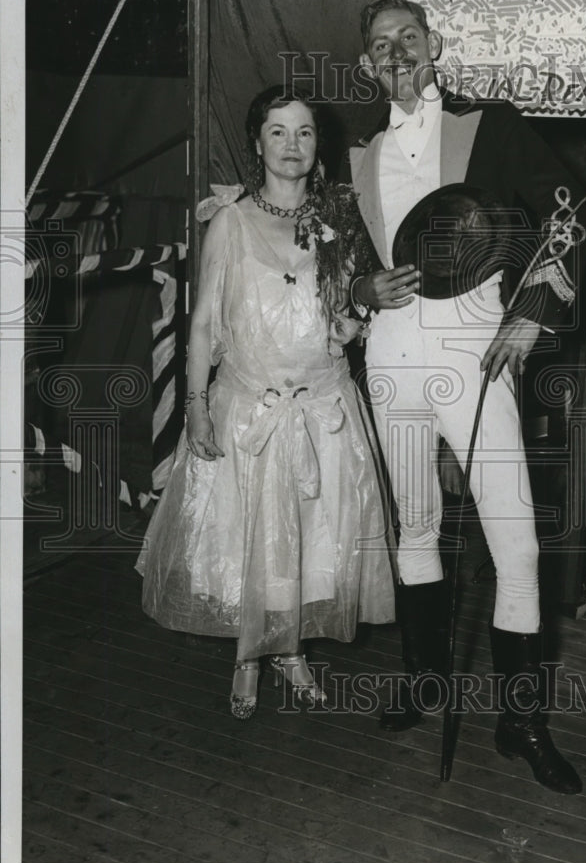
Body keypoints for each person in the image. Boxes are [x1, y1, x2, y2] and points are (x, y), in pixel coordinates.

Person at [347, 0, 586, 794]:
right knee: (414, 529)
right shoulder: (356, 153)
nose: (395, 52)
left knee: (515, 542)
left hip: (475, 350)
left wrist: (533, 313)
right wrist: (361, 284)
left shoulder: (491, 126)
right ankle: (424, 682)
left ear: (435, 44)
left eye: (407, 37)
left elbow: (572, 214)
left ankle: (520, 721)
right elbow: (334, 261)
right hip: (391, 355)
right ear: (364, 64)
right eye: (380, 44)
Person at [136, 85, 395, 720]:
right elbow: (202, 326)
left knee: (311, 541)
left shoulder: (337, 216)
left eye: (304, 132)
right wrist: (195, 406)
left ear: (318, 145)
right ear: (257, 143)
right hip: (250, 408)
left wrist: (353, 320)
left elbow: (348, 303)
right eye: (277, 132)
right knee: (249, 541)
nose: (292, 145)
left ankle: (291, 651)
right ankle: (248, 657)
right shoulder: (231, 220)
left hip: (324, 407)